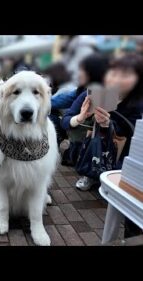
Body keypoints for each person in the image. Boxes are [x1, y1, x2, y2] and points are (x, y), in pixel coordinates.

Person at [87, 53, 143, 238]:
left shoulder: (138, 105)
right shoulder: (98, 94)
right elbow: (71, 114)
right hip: (107, 155)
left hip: (130, 166)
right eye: (113, 72)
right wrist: (85, 118)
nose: (115, 78)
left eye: (125, 74)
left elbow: (133, 132)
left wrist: (108, 124)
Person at [60, 54, 110, 169]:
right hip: (83, 150)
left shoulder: (121, 97)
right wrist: (79, 118)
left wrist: (107, 124)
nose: (79, 73)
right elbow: (65, 121)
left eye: (82, 70)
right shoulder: (86, 94)